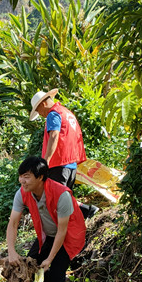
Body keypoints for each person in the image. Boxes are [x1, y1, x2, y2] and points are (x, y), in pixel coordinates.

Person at [6, 156, 86, 282]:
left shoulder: (62, 195)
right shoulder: (22, 192)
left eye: (26, 177)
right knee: (29, 268)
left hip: (68, 236)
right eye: (20, 176)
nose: (21, 181)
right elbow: (12, 223)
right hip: (47, 235)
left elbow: (62, 231)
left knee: (55, 278)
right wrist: (11, 251)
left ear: (40, 177)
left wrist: (49, 259)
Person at [28, 89, 97, 219]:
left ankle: (87, 212)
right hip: (70, 164)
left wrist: (45, 161)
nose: (40, 114)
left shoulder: (53, 114)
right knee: (63, 197)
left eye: (38, 111)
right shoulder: (66, 112)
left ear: (42, 104)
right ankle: (87, 212)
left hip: (58, 164)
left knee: (56, 199)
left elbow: (54, 135)